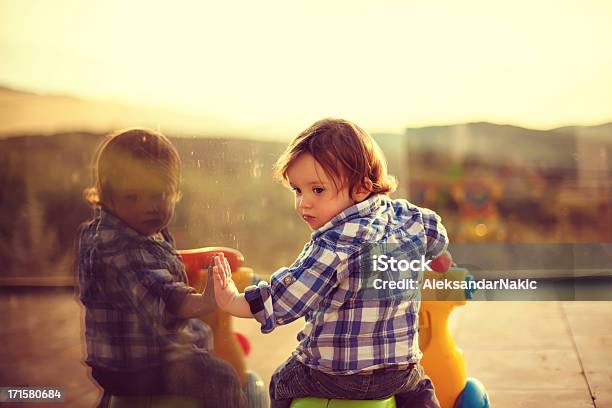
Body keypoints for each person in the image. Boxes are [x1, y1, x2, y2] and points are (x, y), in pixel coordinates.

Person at [212, 118, 448, 408]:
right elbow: (433, 229)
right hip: (398, 372)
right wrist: (439, 258)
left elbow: (288, 298)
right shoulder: (406, 216)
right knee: (421, 387)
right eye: (298, 190)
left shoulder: (336, 242)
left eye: (318, 190)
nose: (303, 203)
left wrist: (234, 301)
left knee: (281, 381)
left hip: (335, 374)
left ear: (361, 188)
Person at [76, 127, 246, 408]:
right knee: (221, 377)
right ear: (108, 197)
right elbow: (169, 300)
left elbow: (151, 268)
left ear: (175, 191)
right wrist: (207, 298)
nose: (149, 207)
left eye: (160, 194)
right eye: (133, 197)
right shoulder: (121, 248)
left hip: (114, 362)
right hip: (140, 366)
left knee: (201, 341)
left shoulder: (113, 231)